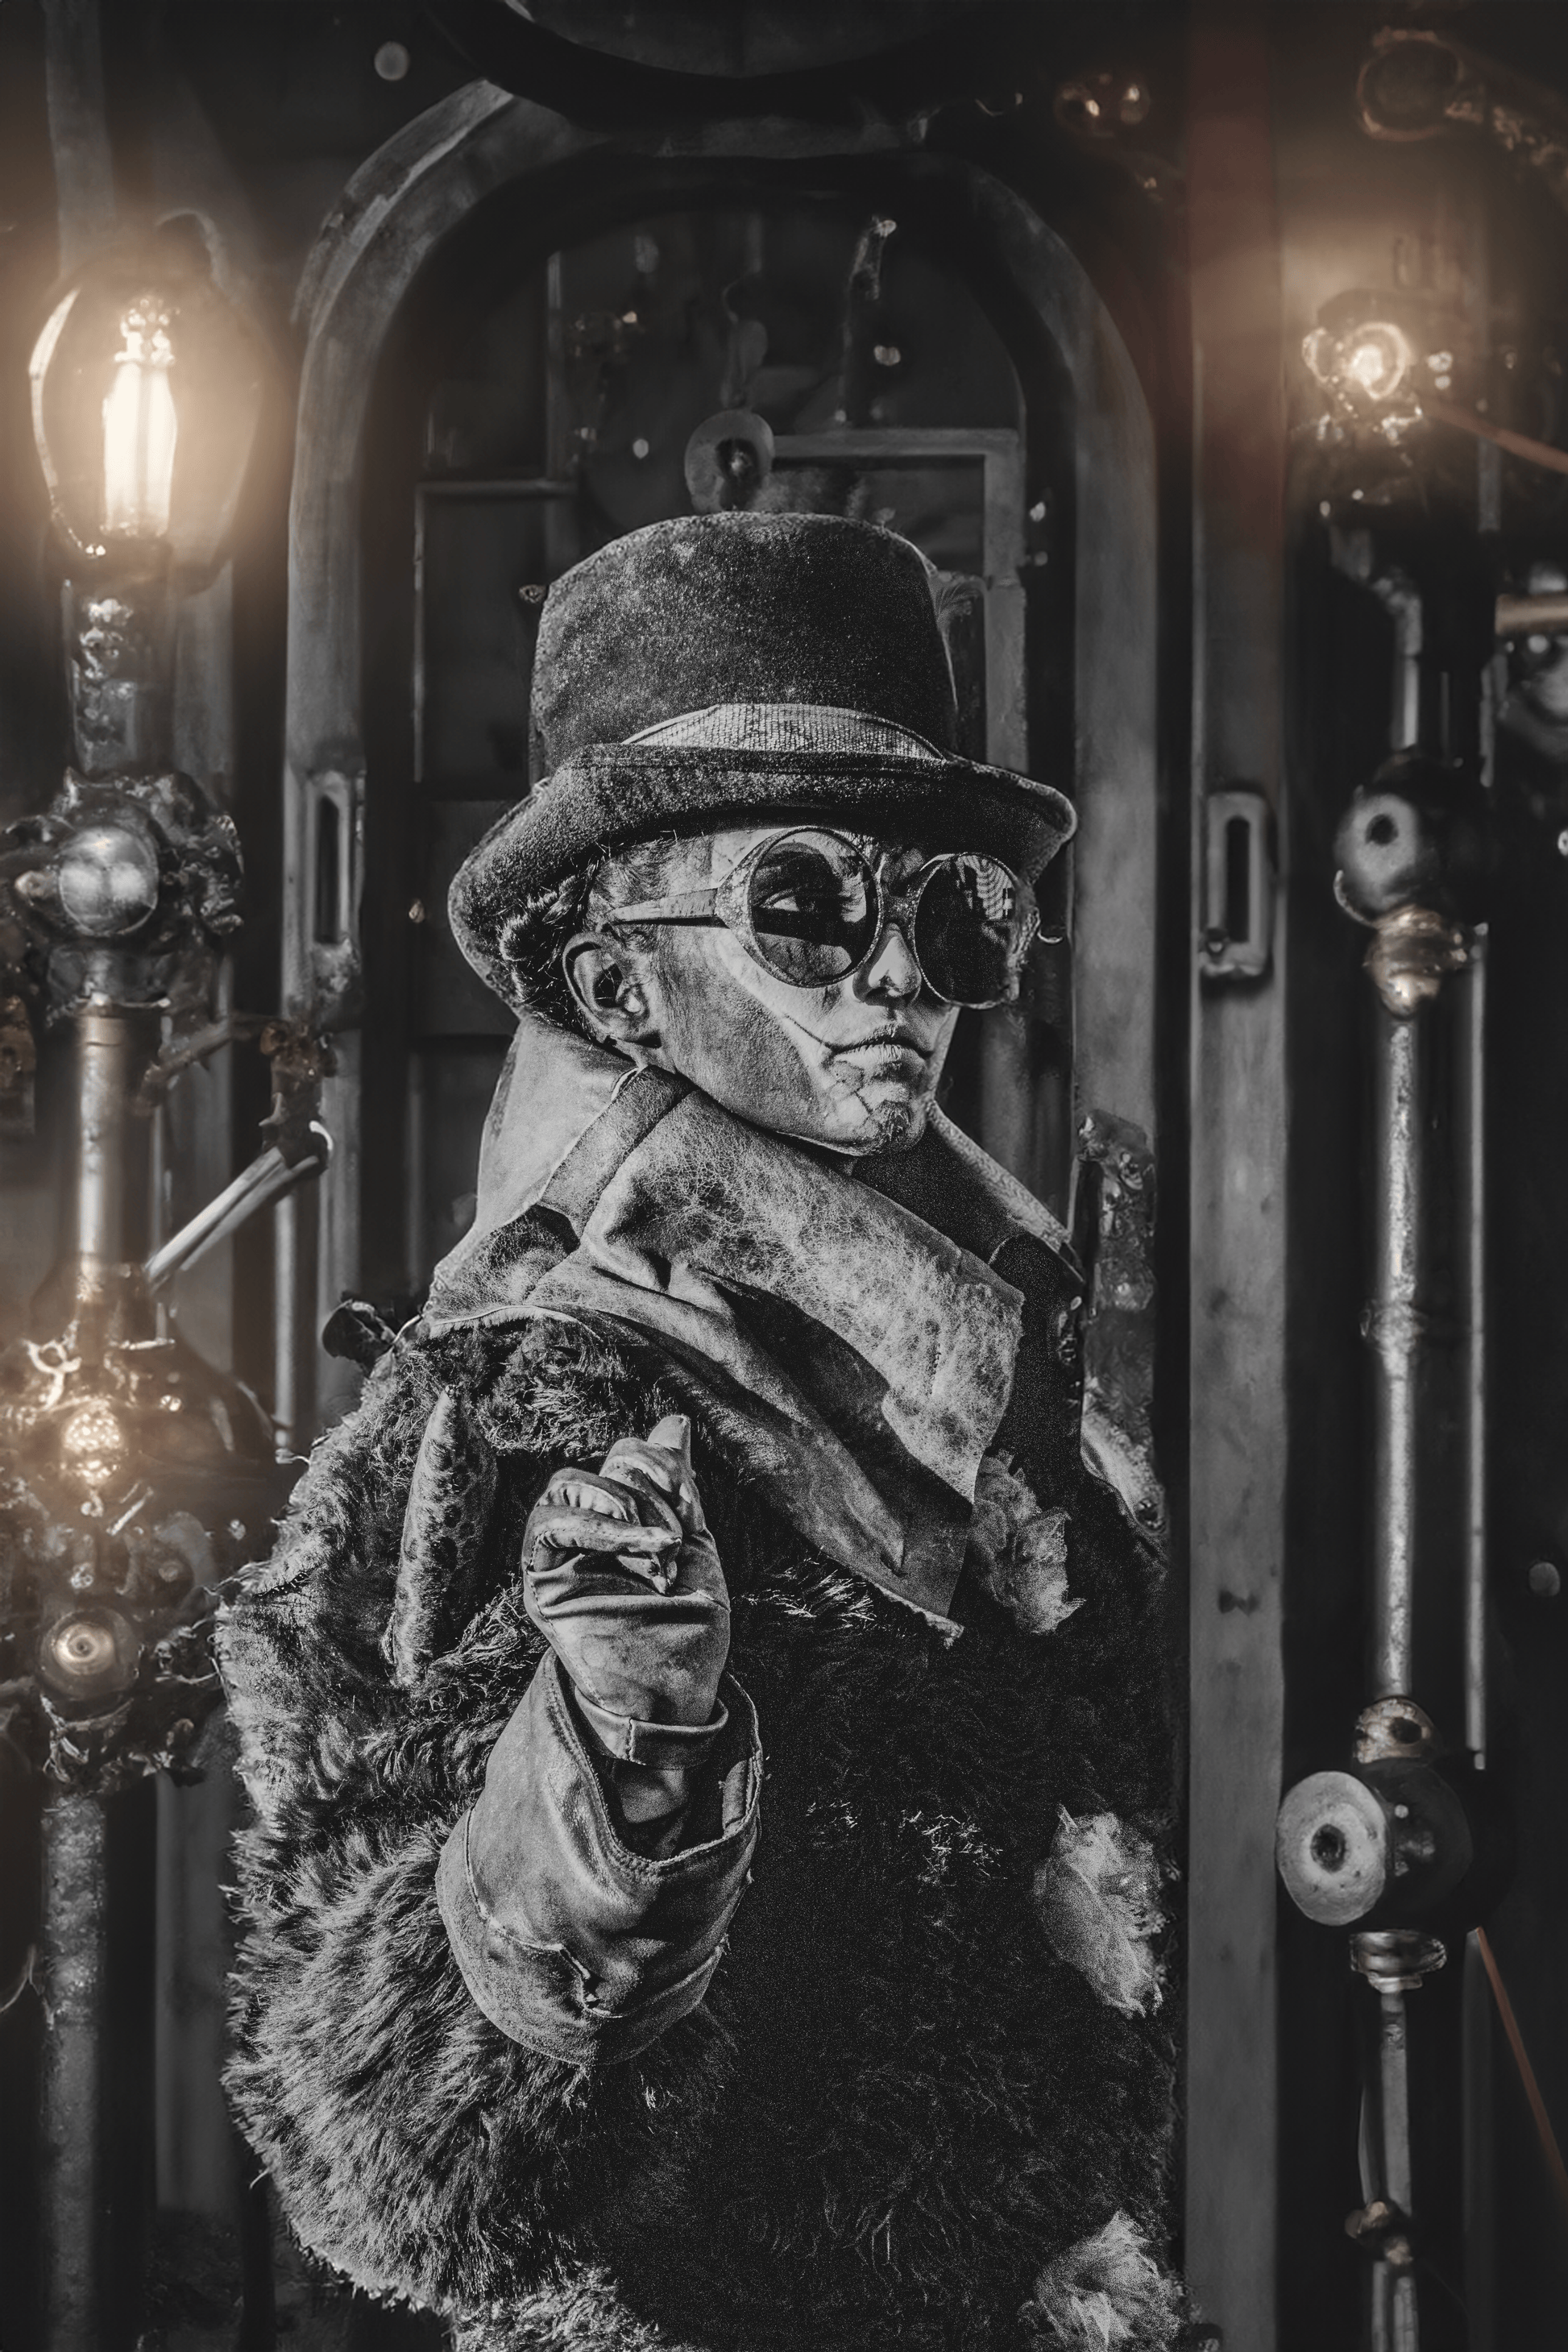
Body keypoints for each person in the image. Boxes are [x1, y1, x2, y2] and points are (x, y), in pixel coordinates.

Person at [219, 512, 1180, 2351]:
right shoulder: (535, 1405)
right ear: (614, 986)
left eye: (950, 917)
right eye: (806, 907)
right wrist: (614, 1772)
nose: (895, 979)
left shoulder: (985, 1391)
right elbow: (383, 2148)